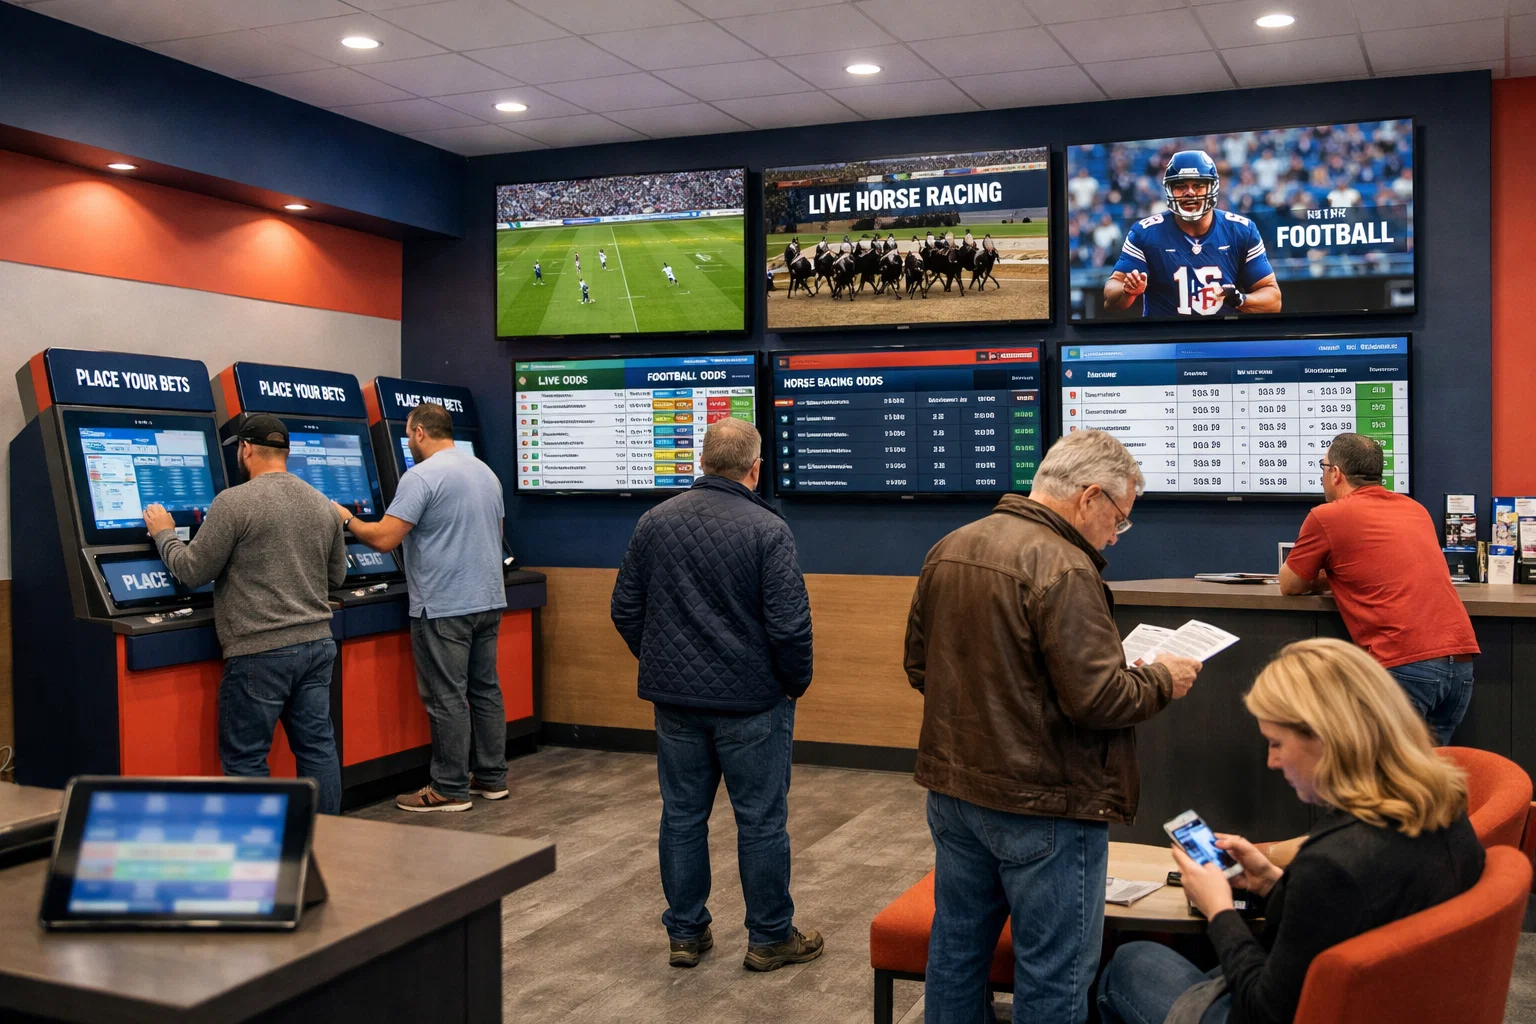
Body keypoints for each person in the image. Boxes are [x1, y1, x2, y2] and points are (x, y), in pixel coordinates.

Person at [905, 429, 1202, 1023]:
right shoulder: (1066, 567)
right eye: (1119, 518)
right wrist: (1164, 678)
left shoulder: (952, 545)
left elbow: (921, 668)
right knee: (1055, 973)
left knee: (958, 953)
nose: (1116, 534)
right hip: (1044, 806)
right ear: (1089, 497)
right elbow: (1098, 699)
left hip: (955, 794)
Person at [1098, 638, 1485, 1024]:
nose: (1271, 761)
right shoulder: (1443, 812)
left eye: (1276, 743)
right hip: (1388, 1003)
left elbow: (1264, 1010)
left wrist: (1218, 910)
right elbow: (1353, 912)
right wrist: (1272, 884)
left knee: (1129, 964)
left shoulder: (1333, 863)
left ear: (1327, 739)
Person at [610, 417, 819, 974]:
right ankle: (770, 937)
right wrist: (792, 684)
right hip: (753, 704)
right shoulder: (768, 529)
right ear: (755, 468)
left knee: (681, 816)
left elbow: (624, 608)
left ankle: (685, 934)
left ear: (702, 461)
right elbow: (790, 627)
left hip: (676, 704)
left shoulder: (655, 521)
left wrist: (664, 664)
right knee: (760, 821)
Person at [145, 414, 346, 814]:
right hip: (317, 643)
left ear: (247, 449)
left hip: (260, 650)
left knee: (246, 760)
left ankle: (257, 852)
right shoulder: (323, 504)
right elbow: (336, 575)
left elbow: (192, 570)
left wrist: (163, 533)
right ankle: (331, 844)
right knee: (318, 749)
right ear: (286, 453)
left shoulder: (233, 502)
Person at [340, 401, 508, 813]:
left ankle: (449, 787)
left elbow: (384, 539)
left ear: (418, 433)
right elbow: (495, 533)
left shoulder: (421, 476)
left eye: (408, 435)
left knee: (446, 696)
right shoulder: (484, 471)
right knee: (484, 690)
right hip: (487, 597)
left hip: (444, 603)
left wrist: (345, 519)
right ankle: (491, 777)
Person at [1279, 433, 1479, 743]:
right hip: (1460, 663)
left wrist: (1329, 575)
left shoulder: (1327, 516)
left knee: (1383, 779)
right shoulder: (1415, 509)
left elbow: (1290, 583)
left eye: (1322, 467)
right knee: (1426, 778)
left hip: (1405, 665)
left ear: (1335, 473)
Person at [1103, 150, 1282, 317]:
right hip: (1165, 343)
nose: (1190, 193)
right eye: (1180, 186)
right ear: (1169, 190)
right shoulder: (1145, 232)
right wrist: (1127, 291)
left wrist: (1240, 299)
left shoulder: (1241, 230)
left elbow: (1274, 300)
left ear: (1212, 188)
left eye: (1198, 185)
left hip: (1223, 342)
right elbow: (1110, 295)